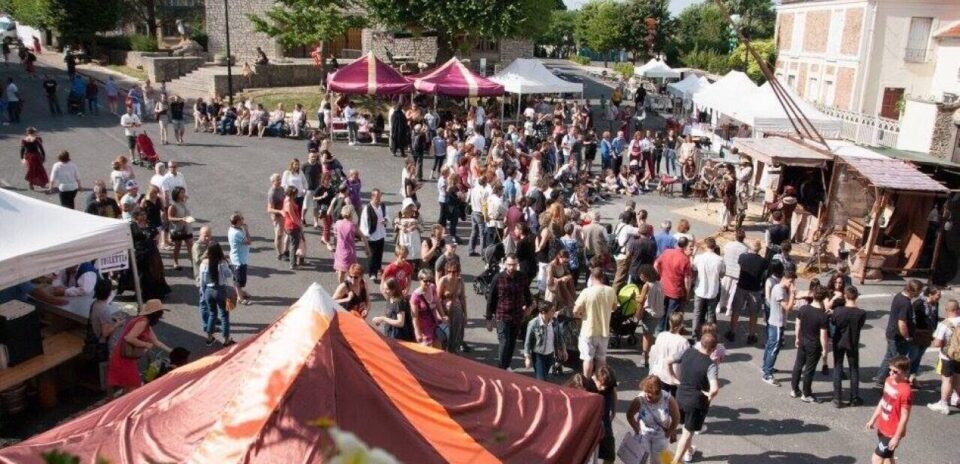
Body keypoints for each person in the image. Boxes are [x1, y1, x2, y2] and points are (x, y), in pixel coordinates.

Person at [671, 332, 720, 464]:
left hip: (680, 397)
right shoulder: (711, 365)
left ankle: (688, 450)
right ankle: (676, 461)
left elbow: (667, 360)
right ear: (713, 348)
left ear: (701, 343)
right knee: (687, 433)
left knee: (686, 427)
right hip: (695, 403)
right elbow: (714, 388)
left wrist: (672, 378)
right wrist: (709, 396)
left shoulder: (688, 352)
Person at [106, 299, 172, 395]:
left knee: (128, 386)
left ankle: (121, 401)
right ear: (155, 315)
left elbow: (156, 342)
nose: (160, 317)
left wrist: (172, 351)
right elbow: (129, 338)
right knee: (133, 385)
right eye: (160, 315)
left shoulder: (145, 322)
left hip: (125, 357)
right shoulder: (143, 322)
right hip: (123, 359)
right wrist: (146, 344)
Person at [486, 254, 533, 370]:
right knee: (504, 341)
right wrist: (489, 318)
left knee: (512, 343)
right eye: (509, 265)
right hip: (502, 315)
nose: (512, 267)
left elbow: (527, 294)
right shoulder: (498, 278)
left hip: (517, 316)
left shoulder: (522, 277)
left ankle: (506, 365)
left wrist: (528, 307)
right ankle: (501, 368)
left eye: (514, 265)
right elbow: (491, 298)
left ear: (517, 265)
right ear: (505, 264)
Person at [875, 280, 923, 388]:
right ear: (914, 291)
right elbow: (902, 323)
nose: (920, 293)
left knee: (889, 357)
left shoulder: (899, 296)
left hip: (892, 334)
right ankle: (887, 382)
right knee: (897, 362)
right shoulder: (905, 304)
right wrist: (907, 337)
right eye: (919, 291)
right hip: (898, 338)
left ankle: (880, 379)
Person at [865, 356, 913, 464]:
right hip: (883, 425)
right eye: (890, 370)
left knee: (877, 458)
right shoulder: (888, 380)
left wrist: (896, 437)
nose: (891, 373)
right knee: (887, 457)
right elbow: (883, 401)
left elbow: (904, 416)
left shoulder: (906, 391)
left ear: (904, 372)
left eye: (895, 371)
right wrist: (873, 419)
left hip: (892, 431)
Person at [626, 375, 681, 464]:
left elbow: (676, 418)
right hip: (644, 434)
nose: (646, 394)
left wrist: (669, 433)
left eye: (650, 392)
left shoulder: (668, 399)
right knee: (640, 460)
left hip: (661, 437)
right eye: (645, 391)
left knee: (658, 461)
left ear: (657, 392)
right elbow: (629, 415)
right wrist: (636, 429)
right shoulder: (640, 399)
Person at [574, 267, 618, 377]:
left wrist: (579, 315)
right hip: (604, 330)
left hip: (588, 330)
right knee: (601, 359)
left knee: (588, 359)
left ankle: (587, 381)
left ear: (591, 277)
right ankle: (600, 381)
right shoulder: (610, 291)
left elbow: (575, 310)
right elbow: (614, 307)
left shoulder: (586, 292)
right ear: (602, 277)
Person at [790, 285, 830, 403]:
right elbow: (823, 336)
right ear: (824, 298)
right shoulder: (823, 316)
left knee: (798, 365)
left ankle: (794, 389)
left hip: (803, 340)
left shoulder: (803, 309)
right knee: (809, 370)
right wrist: (825, 350)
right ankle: (806, 394)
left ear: (813, 295)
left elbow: (797, 325)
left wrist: (797, 338)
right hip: (814, 345)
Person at [832, 285, 867, 407]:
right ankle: (854, 398)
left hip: (839, 342)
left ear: (845, 296)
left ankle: (837, 398)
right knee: (854, 369)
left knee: (838, 367)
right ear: (856, 297)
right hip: (852, 343)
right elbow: (860, 325)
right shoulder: (861, 313)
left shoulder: (838, 311)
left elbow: (833, 322)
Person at [726, 240, 767, 345]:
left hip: (742, 287)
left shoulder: (743, 257)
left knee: (736, 310)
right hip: (755, 289)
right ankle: (751, 335)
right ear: (759, 249)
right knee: (754, 313)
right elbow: (764, 274)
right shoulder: (763, 261)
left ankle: (732, 332)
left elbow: (740, 263)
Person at [761, 269, 796, 386]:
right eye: (791, 282)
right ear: (785, 279)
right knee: (774, 349)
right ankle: (767, 374)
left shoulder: (777, 287)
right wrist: (792, 294)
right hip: (777, 324)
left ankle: (766, 367)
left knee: (770, 346)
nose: (792, 284)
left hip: (774, 322)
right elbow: (788, 308)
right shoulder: (780, 291)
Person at [197, 243, 235, 346]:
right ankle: (226, 340)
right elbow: (228, 274)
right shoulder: (222, 263)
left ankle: (209, 338)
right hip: (220, 290)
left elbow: (202, 280)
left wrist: (202, 291)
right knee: (224, 315)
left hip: (208, 291)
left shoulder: (203, 263)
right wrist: (229, 265)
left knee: (212, 314)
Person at [927, 299, 960, 415]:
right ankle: (957, 398)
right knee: (957, 377)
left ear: (947, 310)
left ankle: (943, 403)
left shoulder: (944, 324)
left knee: (947, 380)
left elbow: (937, 343)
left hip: (948, 357)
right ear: (958, 309)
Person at [654, 237, 693, 334]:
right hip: (676, 291)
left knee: (662, 310)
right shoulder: (685, 259)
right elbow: (687, 279)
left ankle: (660, 329)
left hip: (663, 287)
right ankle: (668, 332)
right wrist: (687, 292)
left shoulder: (667, 252)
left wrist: (660, 276)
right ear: (685, 246)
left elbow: (656, 265)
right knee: (672, 314)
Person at [523, 302, 566, 380]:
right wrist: (527, 357)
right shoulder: (533, 323)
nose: (554, 312)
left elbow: (560, 337)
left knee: (544, 376)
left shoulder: (554, 322)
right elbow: (527, 342)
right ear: (543, 312)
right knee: (541, 379)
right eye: (552, 310)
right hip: (538, 355)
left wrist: (564, 350)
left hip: (550, 355)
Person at [691, 238, 724, 339]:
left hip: (700, 289)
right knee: (710, 314)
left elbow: (693, 268)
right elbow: (722, 274)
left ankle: (695, 334)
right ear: (714, 246)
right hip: (712, 290)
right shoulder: (720, 260)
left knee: (697, 313)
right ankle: (709, 335)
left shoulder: (699, 258)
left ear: (706, 246)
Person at [651, 312, 690, 397]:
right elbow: (685, 360)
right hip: (674, 375)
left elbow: (656, 352)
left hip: (659, 372)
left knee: (660, 399)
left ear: (669, 322)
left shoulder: (661, 335)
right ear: (681, 325)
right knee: (673, 400)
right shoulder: (683, 342)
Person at [437, 260, 468, 354]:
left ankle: (453, 348)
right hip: (444, 308)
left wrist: (465, 314)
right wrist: (441, 315)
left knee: (456, 329)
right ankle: (446, 348)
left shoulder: (460, 281)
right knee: (446, 331)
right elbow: (437, 299)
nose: (451, 274)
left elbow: (462, 298)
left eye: (454, 271)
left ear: (458, 272)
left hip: (456, 308)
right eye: (449, 271)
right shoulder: (443, 280)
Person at [411, 269, 445, 348]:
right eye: (425, 281)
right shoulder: (415, 296)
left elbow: (437, 302)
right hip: (424, 328)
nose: (428, 283)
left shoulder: (432, 287)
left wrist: (443, 315)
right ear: (420, 280)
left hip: (434, 323)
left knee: (438, 349)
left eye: (430, 280)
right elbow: (414, 317)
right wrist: (417, 332)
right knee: (427, 350)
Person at [359, 189, 388, 281]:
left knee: (379, 254)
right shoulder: (367, 208)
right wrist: (365, 235)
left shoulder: (382, 206)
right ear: (372, 197)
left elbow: (387, 216)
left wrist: (385, 220)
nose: (379, 199)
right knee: (372, 256)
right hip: (371, 236)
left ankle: (378, 269)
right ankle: (372, 273)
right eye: (377, 197)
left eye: (380, 197)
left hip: (381, 234)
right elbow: (363, 223)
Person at [719, 229, 748, 315]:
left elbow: (724, 253)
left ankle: (719, 306)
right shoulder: (745, 248)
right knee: (732, 292)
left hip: (727, 271)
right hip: (737, 273)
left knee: (724, 290)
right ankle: (729, 308)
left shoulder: (729, 245)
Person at [228, 213, 252, 305]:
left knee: (239, 279)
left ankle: (241, 293)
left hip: (239, 258)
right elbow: (248, 241)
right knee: (238, 280)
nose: (243, 220)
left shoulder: (233, 229)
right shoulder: (237, 233)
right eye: (242, 219)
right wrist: (246, 230)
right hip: (238, 260)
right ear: (238, 221)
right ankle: (240, 298)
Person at [167, 186, 193, 271]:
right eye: (182, 192)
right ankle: (175, 262)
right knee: (178, 246)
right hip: (178, 229)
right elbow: (170, 218)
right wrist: (181, 219)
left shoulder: (184, 202)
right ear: (177, 194)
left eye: (184, 192)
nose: (184, 194)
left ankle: (193, 263)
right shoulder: (173, 205)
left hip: (187, 228)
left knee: (190, 245)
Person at [333, 204, 358, 282]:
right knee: (352, 271)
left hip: (340, 250)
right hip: (350, 251)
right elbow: (361, 236)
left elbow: (335, 233)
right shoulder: (353, 225)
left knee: (341, 272)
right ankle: (352, 285)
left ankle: (341, 286)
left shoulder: (337, 223)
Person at [282, 187, 305, 270]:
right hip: (292, 226)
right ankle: (293, 264)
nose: (296, 195)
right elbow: (293, 218)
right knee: (294, 245)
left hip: (292, 225)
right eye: (295, 194)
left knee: (296, 243)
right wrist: (300, 225)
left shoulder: (289, 200)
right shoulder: (288, 203)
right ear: (291, 194)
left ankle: (299, 260)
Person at [266, 174, 287, 260]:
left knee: (287, 233)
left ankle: (286, 251)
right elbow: (269, 209)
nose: (280, 181)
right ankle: (279, 253)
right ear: (273, 182)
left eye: (280, 179)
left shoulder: (281, 188)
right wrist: (280, 211)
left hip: (284, 214)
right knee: (279, 235)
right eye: (277, 180)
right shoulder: (272, 193)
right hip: (277, 216)